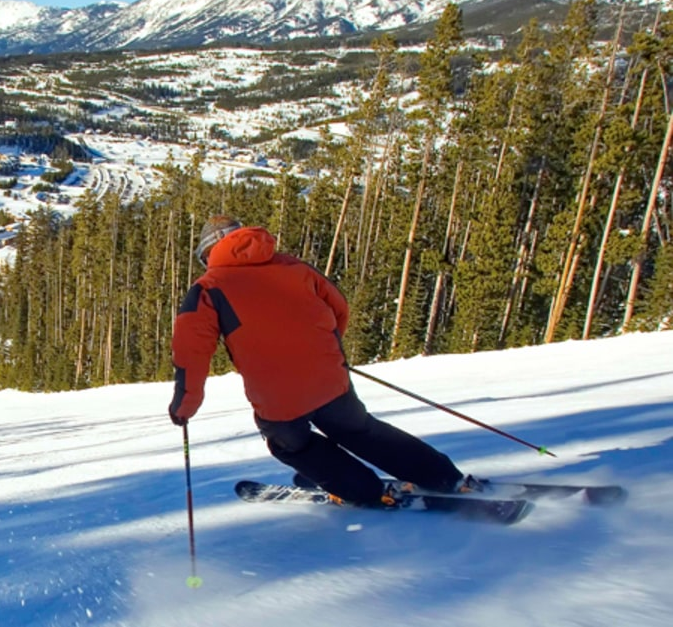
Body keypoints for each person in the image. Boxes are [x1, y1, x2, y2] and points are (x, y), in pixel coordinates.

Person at [167, 215, 473, 507]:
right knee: (360, 430)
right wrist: (321, 352)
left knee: (290, 443)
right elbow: (338, 308)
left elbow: (191, 353)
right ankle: (442, 475)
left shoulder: (208, 289)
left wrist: (184, 405)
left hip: (276, 392)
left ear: (209, 251)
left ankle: (364, 490)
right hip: (330, 377)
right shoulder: (295, 266)